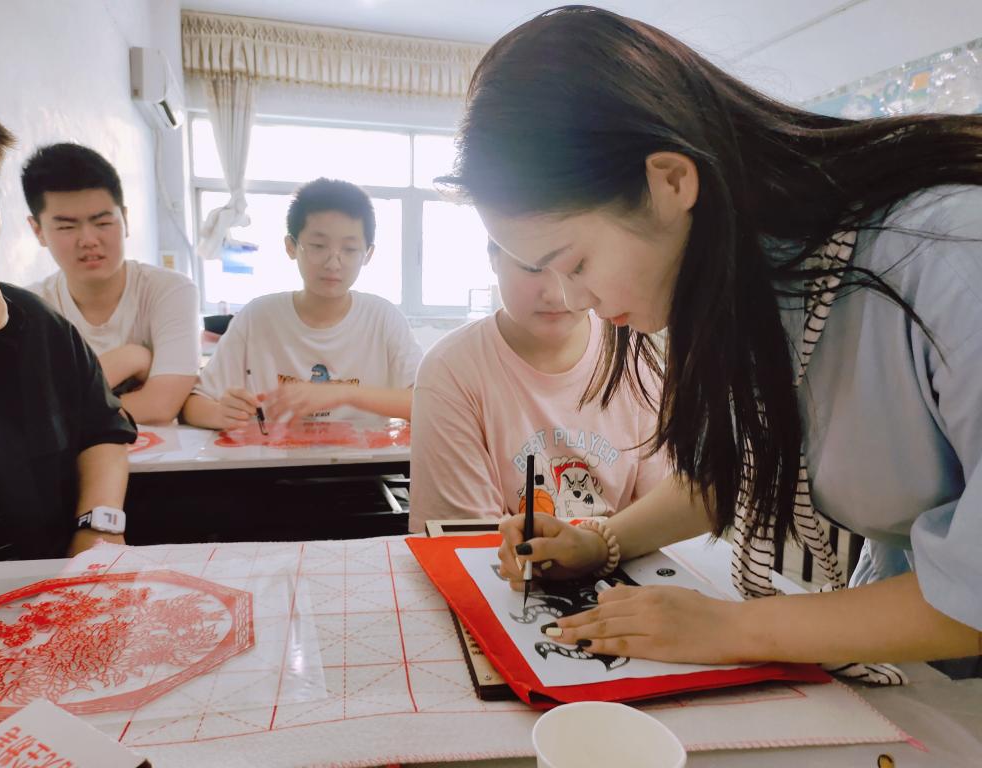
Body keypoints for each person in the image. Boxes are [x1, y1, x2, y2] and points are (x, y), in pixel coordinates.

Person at [441, 7, 982, 669]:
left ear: (670, 181)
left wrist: (734, 629)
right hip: (920, 648)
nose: (572, 299)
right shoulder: (754, 276)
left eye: (575, 263)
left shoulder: (954, 251)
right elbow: (730, 470)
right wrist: (599, 542)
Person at [0, 82, 136, 561]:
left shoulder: (32, 321)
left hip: (37, 593)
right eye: (66, 225)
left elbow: (101, 429)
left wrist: (97, 527)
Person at [409, 238, 665, 532]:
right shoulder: (450, 368)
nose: (556, 294)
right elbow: (468, 541)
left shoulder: (635, 357)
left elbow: (663, 514)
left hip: (623, 556)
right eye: (532, 267)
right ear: (493, 257)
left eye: (577, 267)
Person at [183, 177, 422, 430]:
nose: (333, 263)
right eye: (318, 246)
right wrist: (220, 413)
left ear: (368, 254)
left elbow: (430, 402)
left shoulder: (383, 318)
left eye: (350, 249)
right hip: (272, 455)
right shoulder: (258, 317)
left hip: (363, 457)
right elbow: (193, 405)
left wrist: (345, 393)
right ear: (291, 247)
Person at [23, 143, 200, 425]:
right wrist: (132, 358)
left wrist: (65, 412)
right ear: (38, 231)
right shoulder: (30, 309)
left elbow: (160, 406)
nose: (89, 240)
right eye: (67, 227)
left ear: (125, 220)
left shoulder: (170, 291)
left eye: (103, 223)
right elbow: (32, 413)